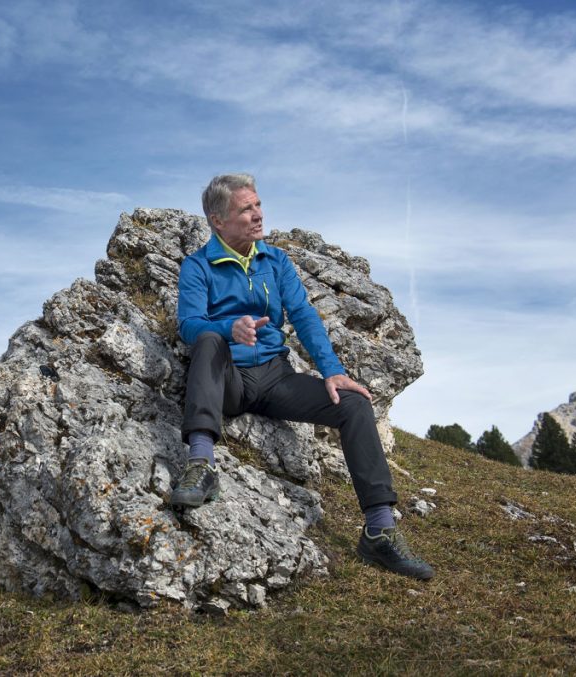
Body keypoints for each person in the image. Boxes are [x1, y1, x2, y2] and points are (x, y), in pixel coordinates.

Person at [170, 173, 434, 581]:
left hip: (276, 378)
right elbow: (188, 324)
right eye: (246, 209)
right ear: (217, 220)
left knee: (355, 404)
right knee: (206, 338)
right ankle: (201, 465)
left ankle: (380, 531)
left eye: (258, 204)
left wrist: (333, 371)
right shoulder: (198, 265)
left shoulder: (275, 261)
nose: (258, 215)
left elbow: (305, 316)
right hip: (230, 380)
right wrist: (228, 329)